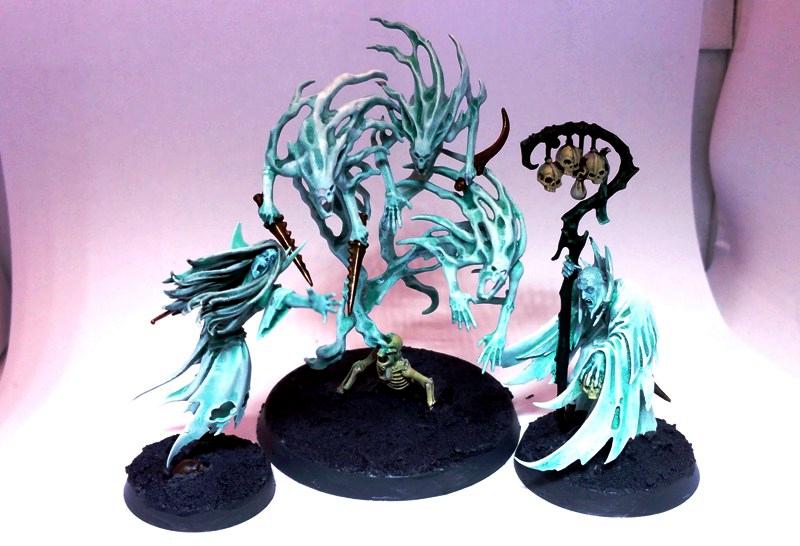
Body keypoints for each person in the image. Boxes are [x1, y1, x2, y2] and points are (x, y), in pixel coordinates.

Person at [501, 239, 659, 471]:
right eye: (583, 290)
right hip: (605, 344)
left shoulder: (631, 298)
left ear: (606, 283)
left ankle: (610, 428)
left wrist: (603, 354)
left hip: (629, 361)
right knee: (588, 353)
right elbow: (582, 319)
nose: (585, 296)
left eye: (590, 289)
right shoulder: (597, 297)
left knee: (602, 362)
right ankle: (585, 414)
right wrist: (573, 283)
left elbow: (628, 339)